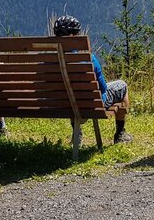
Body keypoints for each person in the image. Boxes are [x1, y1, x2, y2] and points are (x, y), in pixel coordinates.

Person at [53, 15, 133, 144]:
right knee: (122, 85)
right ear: (73, 36)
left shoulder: (46, 61)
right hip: (93, 105)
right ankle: (120, 133)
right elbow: (103, 88)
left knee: (70, 94)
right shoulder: (89, 59)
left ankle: (76, 133)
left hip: (63, 104)